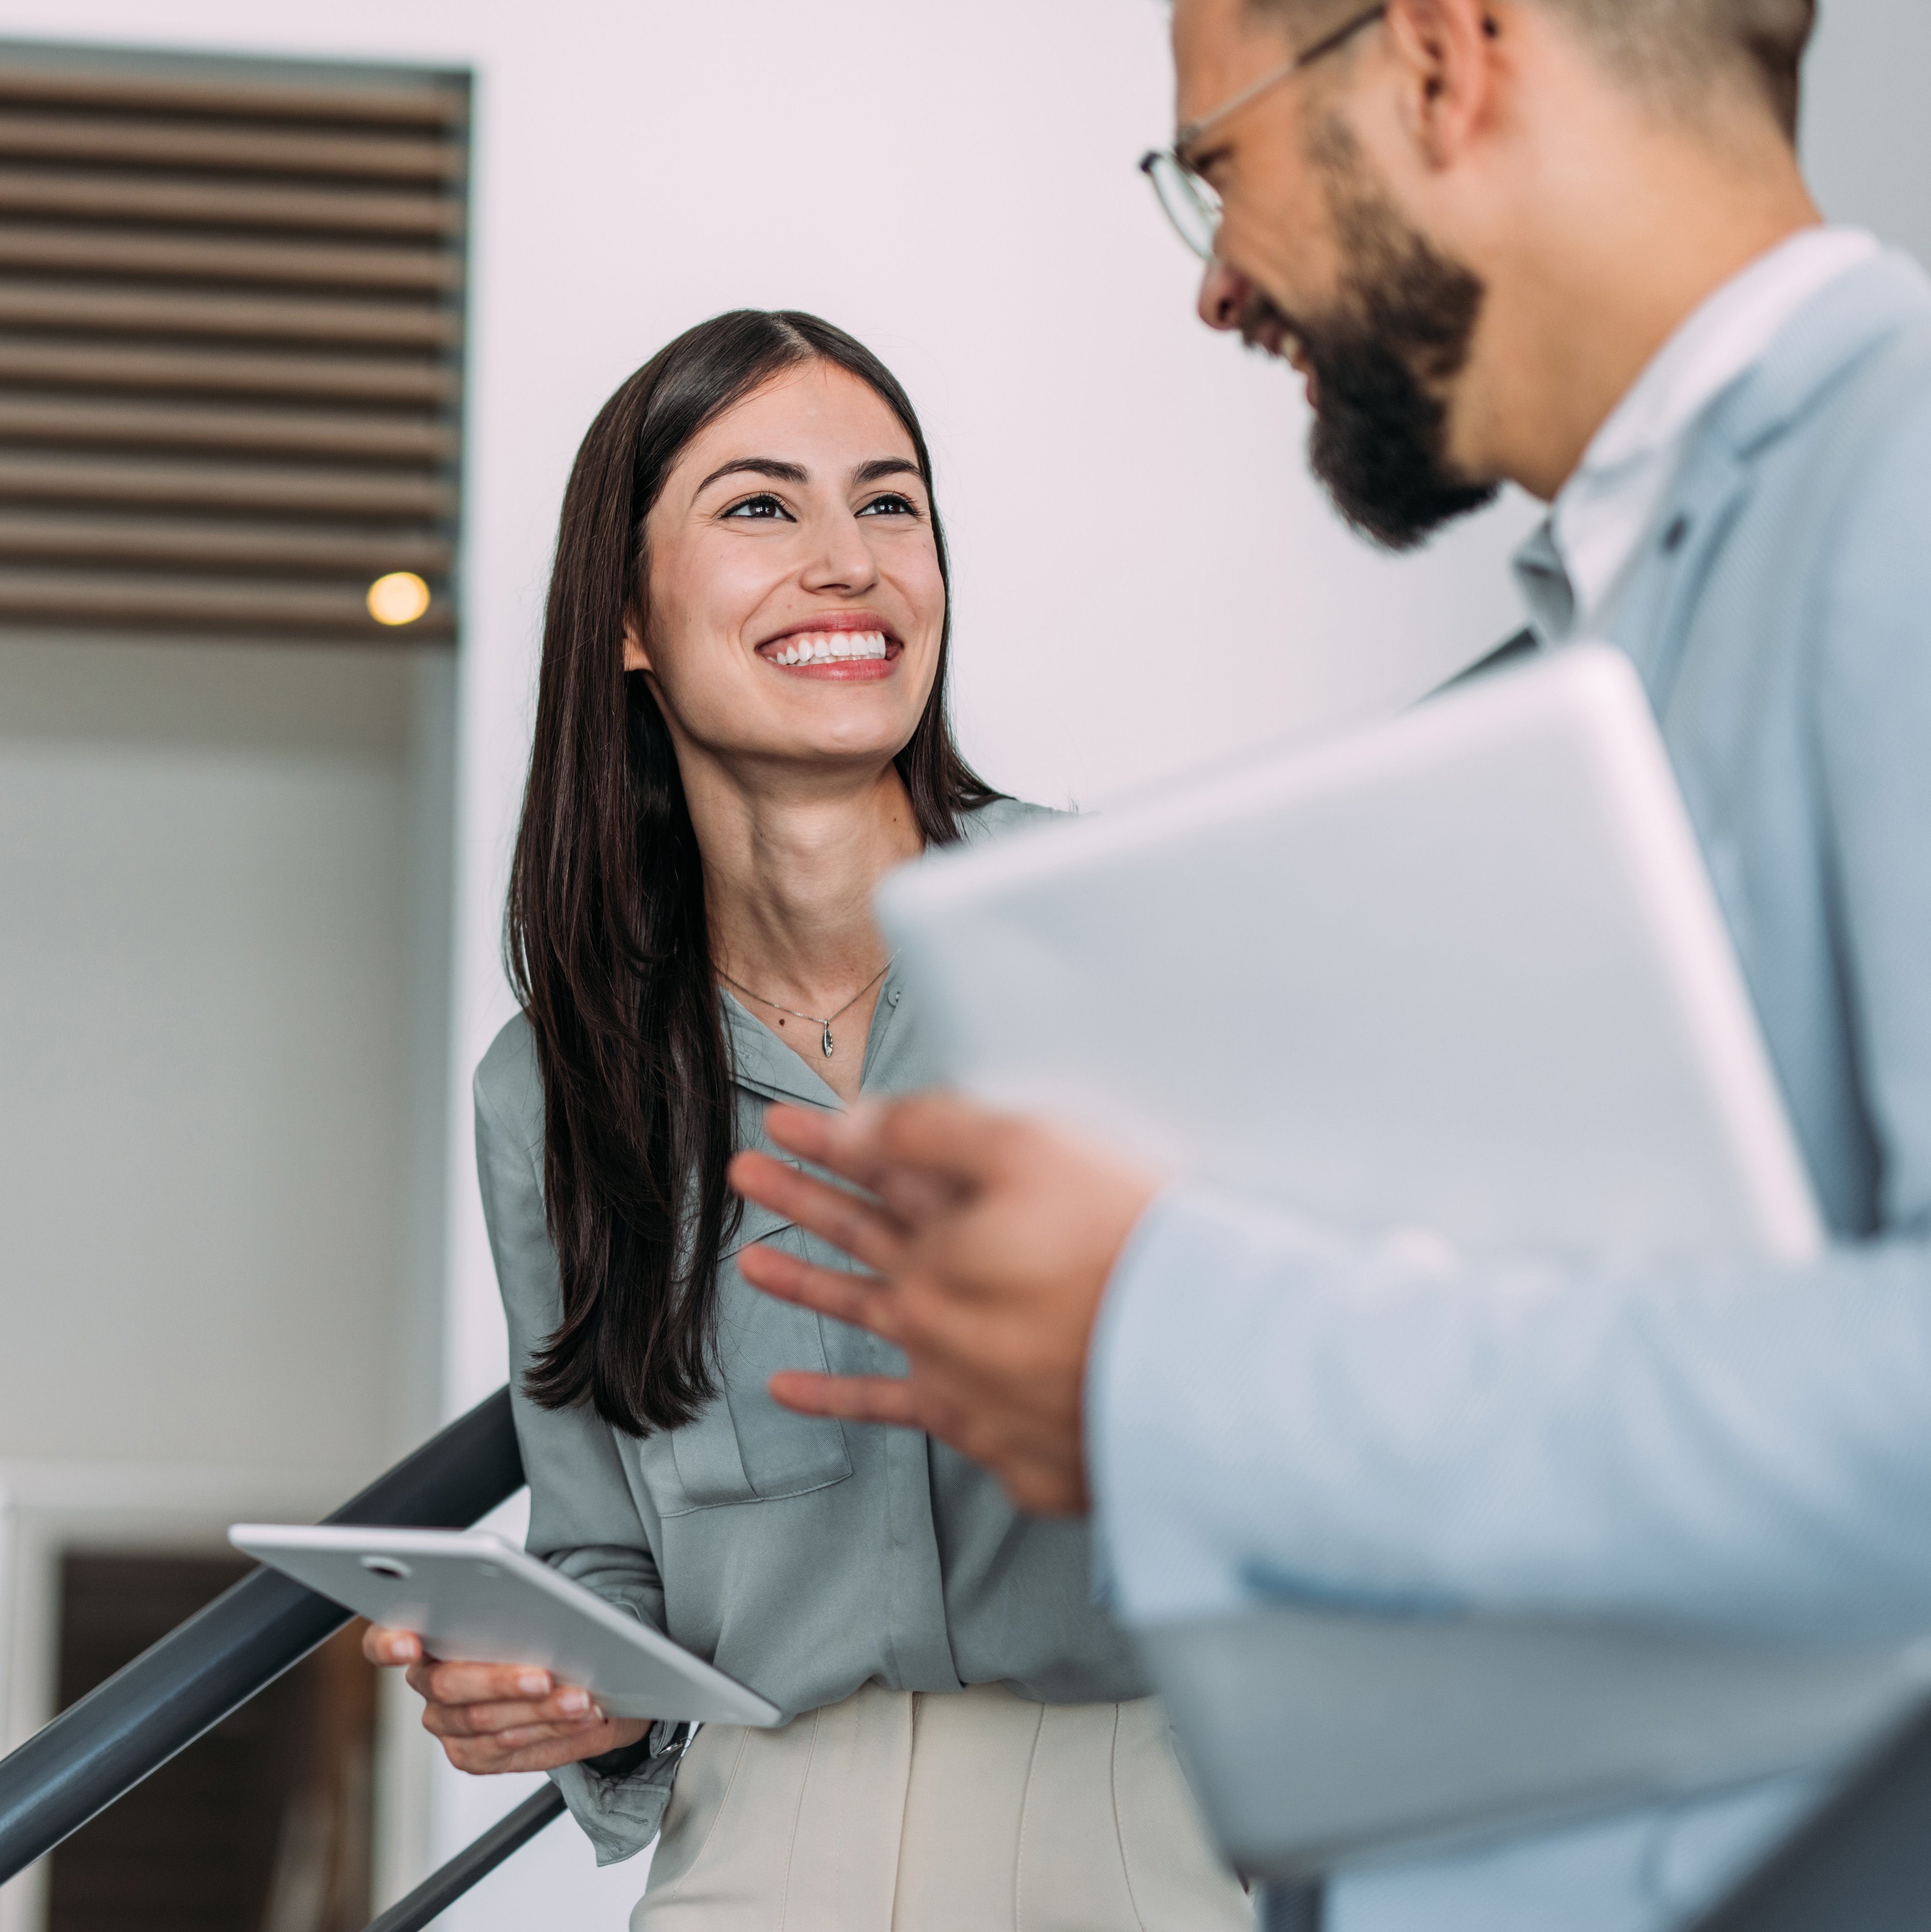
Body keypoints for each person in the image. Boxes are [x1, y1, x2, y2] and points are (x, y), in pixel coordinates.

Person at [728, 2, 1931, 1930]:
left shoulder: (1902, 499)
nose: (1217, 289)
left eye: (1217, 165)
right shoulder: (1584, 646)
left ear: (1445, 58)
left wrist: (1172, 1339)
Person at [361, 311, 1251, 1930]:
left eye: (890, 503)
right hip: (756, 1851)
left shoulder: (1132, 943)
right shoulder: (551, 1095)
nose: (847, 562)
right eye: (761, 507)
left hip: (1133, 1821)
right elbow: (601, 1550)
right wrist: (569, 1690)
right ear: (627, 615)